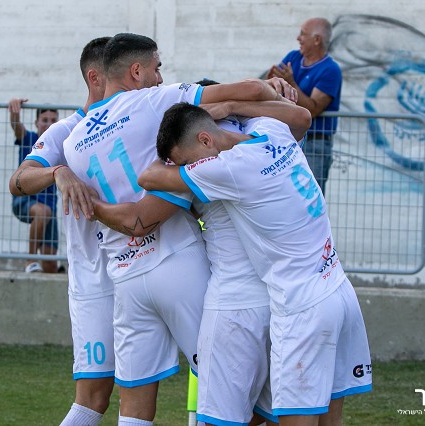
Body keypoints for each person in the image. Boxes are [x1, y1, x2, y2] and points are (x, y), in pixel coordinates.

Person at [62, 33, 293, 425]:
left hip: (126, 280)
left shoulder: (73, 142)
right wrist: (267, 88)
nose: (159, 77)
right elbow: (251, 90)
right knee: (234, 389)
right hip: (176, 262)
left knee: (134, 406)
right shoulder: (150, 102)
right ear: (136, 71)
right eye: (157, 68)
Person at [137, 102, 372, 426]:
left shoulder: (229, 169)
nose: (189, 168)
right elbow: (296, 114)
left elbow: (148, 177)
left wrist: (173, 147)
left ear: (205, 140)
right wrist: (228, 107)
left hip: (303, 308)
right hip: (338, 288)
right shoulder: (271, 130)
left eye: (187, 161)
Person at [8, 37, 115, 426]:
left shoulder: (141, 117)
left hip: (148, 272)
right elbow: (18, 180)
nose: (142, 81)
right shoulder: (65, 132)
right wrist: (57, 171)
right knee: (94, 398)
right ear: (96, 77)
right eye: (127, 72)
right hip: (94, 282)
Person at [267, 17, 342, 195]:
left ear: (317, 40)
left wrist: (291, 82)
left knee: (309, 195)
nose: (298, 38)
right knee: (282, 193)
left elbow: (314, 109)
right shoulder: (293, 58)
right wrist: (271, 82)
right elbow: (274, 86)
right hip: (287, 139)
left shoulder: (331, 70)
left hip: (315, 144)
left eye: (303, 34)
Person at [7, 99, 60, 273]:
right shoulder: (29, 138)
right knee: (42, 212)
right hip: (25, 200)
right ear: (36, 122)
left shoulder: (60, 146)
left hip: (50, 206)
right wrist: (14, 110)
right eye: (45, 120)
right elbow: (16, 126)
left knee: (51, 265)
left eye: (53, 121)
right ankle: (30, 260)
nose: (49, 124)